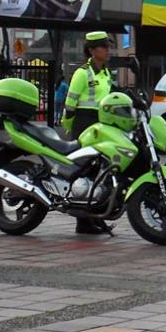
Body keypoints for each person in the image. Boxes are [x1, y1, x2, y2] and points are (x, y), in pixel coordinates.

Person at [64, 31, 112, 234]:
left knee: (100, 171)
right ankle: (82, 222)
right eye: (104, 47)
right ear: (92, 50)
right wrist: (69, 127)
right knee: (85, 171)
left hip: (101, 124)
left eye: (108, 46)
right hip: (84, 123)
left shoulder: (106, 73)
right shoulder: (82, 73)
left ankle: (95, 216)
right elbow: (70, 104)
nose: (108, 50)